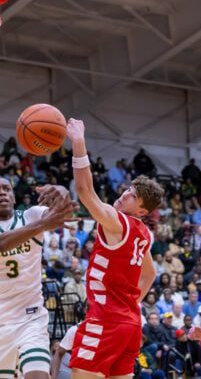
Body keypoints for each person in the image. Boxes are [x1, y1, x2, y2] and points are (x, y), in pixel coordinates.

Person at [61, 118, 163, 378]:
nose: (125, 194)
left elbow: (84, 191)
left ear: (141, 210)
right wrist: (129, 304)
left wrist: (79, 142)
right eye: (128, 188)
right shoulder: (143, 233)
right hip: (130, 324)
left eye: (132, 195)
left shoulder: (118, 222)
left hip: (106, 322)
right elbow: (149, 274)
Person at [0, 177, 75, 378]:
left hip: (31, 317)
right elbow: (0, 243)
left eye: (6, 189)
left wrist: (61, 189)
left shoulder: (31, 215)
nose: (2, 192)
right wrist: (43, 224)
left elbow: (64, 211)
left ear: (14, 197)